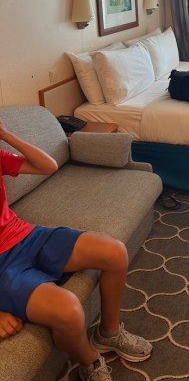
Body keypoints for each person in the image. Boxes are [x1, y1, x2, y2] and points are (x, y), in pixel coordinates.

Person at [0, 118, 152, 381]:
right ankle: (90, 361)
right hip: (4, 265)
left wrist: (7, 136)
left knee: (114, 252)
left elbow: (48, 166)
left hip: (27, 234)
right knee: (69, 310)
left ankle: (109, 333)